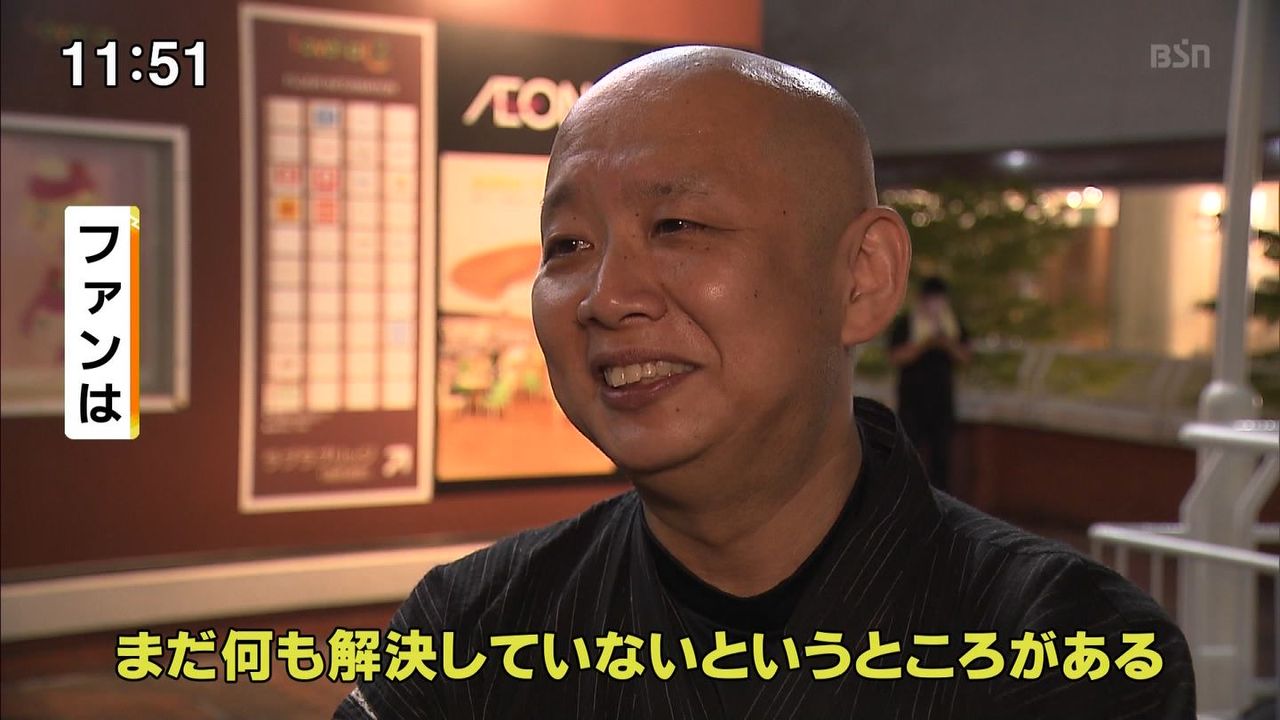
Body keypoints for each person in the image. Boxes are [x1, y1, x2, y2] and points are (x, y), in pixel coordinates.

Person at [335, 46, 1194, 719]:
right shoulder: (474, 624)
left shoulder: (1070, 648)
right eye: (568, 246)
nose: (606, 297)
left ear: (862, 278)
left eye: (676, 224)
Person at [888, 275, 971, 492]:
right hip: (911, 402)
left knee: (941, 458)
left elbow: (965, 357)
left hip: (942, 402)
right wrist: (924, 343)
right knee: (909, 454)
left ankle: (940, 501)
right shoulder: (906, 323)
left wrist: (945, 342)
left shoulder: (953, 325)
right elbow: (896, 357)